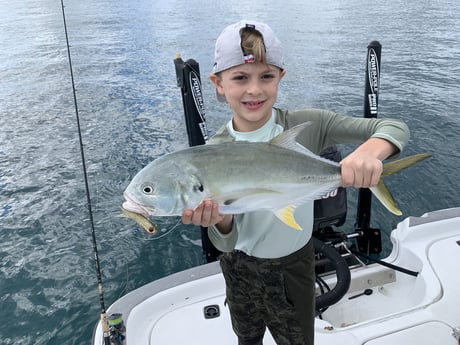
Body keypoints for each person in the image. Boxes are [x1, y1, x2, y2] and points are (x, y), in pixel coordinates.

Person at [182, 20, 410, 345]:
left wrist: (371, 153)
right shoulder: (214, 152)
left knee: (298, 340)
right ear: (218, 83)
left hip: (294, 265)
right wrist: (220, 221)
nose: (254, 90)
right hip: (239, 268)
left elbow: (394, 127)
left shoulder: (308, 125)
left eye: (266, 76)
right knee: (246, 337)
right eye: (240, 77)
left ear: (281, 77)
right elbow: (226, 244)